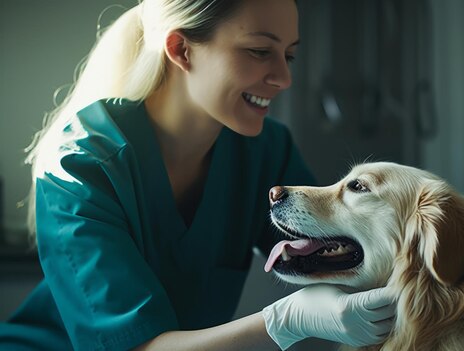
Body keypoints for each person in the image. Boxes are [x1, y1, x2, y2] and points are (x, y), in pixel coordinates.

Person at [0, 0, 396, 350]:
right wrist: (285, 321)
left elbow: (347, 246)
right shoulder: (79, 166)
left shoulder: (265, 150)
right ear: (181, 50)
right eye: (260, 51)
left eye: (288, 56)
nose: (284, 78)